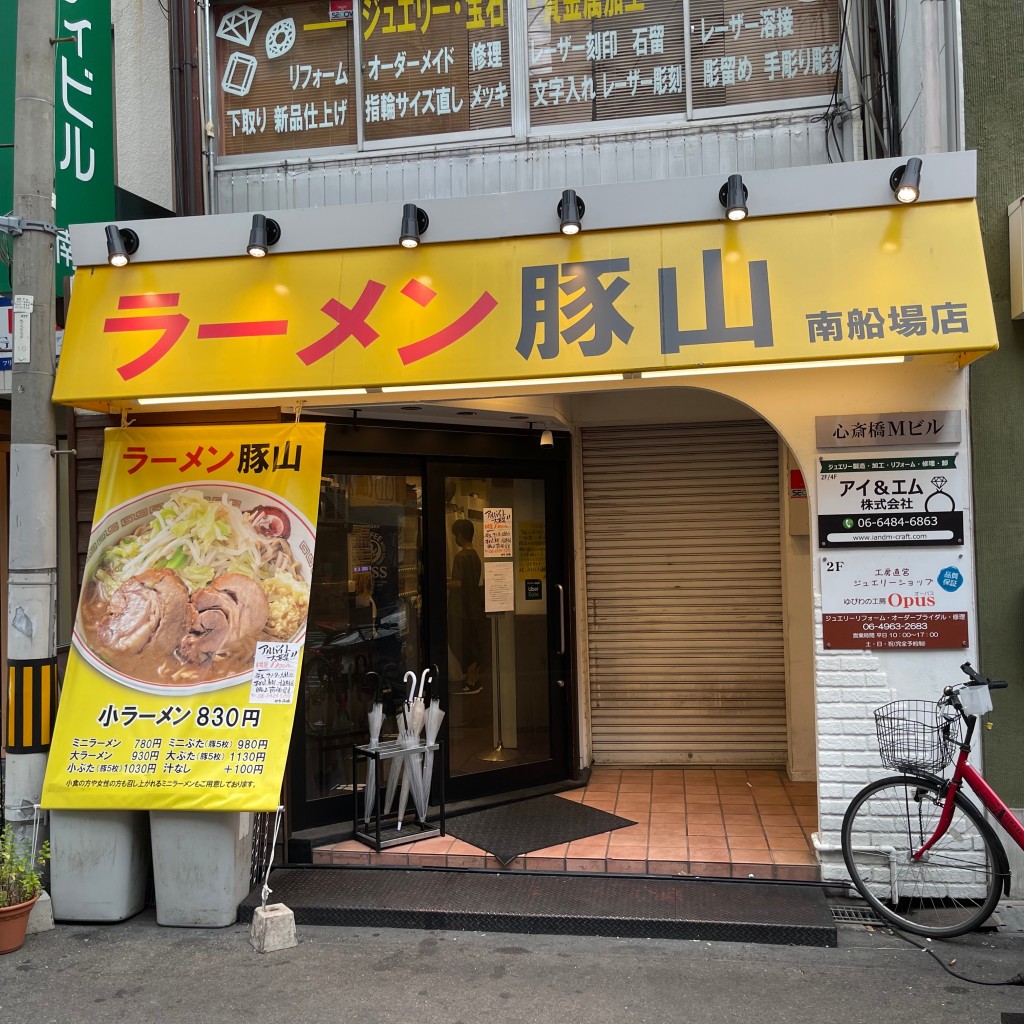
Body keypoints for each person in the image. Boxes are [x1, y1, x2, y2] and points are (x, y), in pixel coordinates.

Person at [448, 518, 485, 693]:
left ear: (460, 536)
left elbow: (458, 583)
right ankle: (474, 678)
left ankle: (471, 681)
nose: (455, 537)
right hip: (474, 607)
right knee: (474, 643)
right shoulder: (475, 556)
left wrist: (443, 583)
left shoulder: (460, 557)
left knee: (463, 645)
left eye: (455, 534)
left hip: (460, 608)